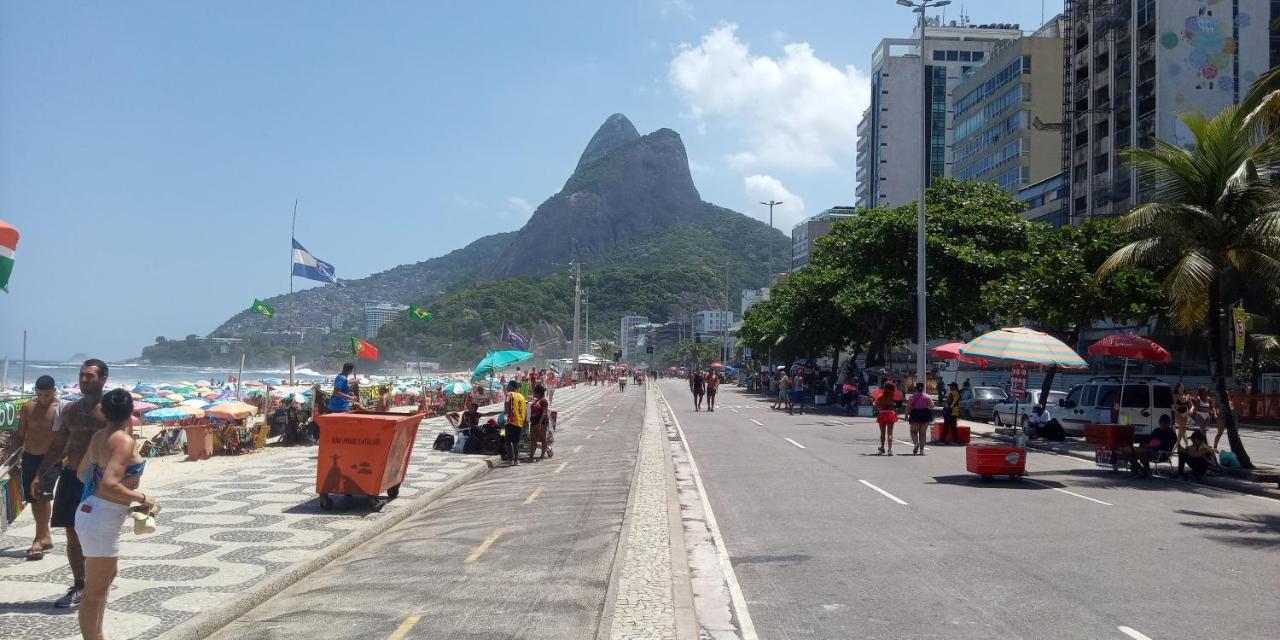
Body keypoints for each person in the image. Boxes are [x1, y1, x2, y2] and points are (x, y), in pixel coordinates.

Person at [76, 388, 155, 640]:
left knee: (106, 579)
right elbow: (110, 484)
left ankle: (98, 636)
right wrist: (142, 498)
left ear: (103, 411)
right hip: (101, 518)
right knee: (95, 591)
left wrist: (119, 501)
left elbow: (82, 473)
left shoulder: (100, 435)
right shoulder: (123, 440)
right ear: (130, 411)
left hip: (93, 511)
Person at [32, 360, 111, 608]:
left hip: (98, 481)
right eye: (81, 375)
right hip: (70, 476)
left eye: (89, 376)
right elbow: (57, 444)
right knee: (72, 533)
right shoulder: (70, 410)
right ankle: (80, 585)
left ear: (103, 379)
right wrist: (40, 473)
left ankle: (98, 584)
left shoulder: (110, 411)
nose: (84, 379)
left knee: (96, 535)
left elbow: (124, 446)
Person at [4, 375, 59, 561]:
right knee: (34, 498)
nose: (42, 398)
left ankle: (37, 540)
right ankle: (46, 535)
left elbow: (65, 437)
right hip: (30, 457)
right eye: (39, 394)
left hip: (50, 459)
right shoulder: (29, 407)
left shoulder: (59, 409)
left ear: (54, 391)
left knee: (42, 495)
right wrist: (10, 458)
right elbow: (20, 434)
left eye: (46, 394)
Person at [502, 380, 527, 466]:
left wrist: (506, 412)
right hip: (519, 422)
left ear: (511, 387)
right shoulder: (522, 396)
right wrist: (525, 421)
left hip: (510, 421)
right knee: (516, 442)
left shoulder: (509, 395)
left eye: (508, 386)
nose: (507, 387)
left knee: (508, 441)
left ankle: (510, 459)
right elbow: (525, 410)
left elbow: (507, 404)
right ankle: (516, 460)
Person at [907, 383, 934, 455]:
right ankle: (922, 451)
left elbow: (908, 406)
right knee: (923, 433)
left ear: (916, 388)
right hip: (925, 414)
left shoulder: (912, 397)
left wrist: (906, 414)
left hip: (915, 414)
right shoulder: (927, 396)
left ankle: (916, 443)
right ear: (923, 388)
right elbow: (932, 406)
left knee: (913, 431)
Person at [527, 385, 552, 461]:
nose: (533, 393)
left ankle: (542, 456)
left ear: (538, 393)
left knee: (542, 438)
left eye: (534, 392)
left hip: (542, 422)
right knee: (533, 440)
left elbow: (544, 413)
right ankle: (531, 457)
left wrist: (540, 423)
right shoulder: (536, 401)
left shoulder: (544, 401)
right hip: (534, 422)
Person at [875, 381, 898, 455]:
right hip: (890, 413)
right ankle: (890, 449)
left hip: (882, 413)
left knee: (882, 433)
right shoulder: (893, 396)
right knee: (890, 433)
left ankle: (882, 447)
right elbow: (895, 404)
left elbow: (876, 405)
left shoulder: (880, 396)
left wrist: (874, 403)